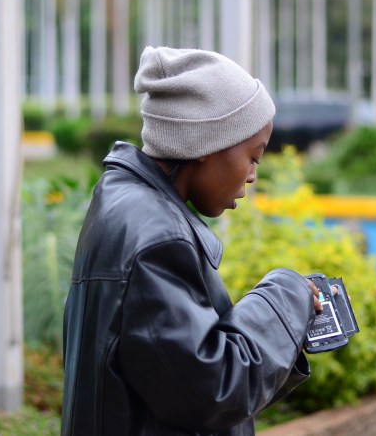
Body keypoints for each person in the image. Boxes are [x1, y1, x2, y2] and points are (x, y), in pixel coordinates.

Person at [61, 46, 323, 436]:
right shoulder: (156, 237)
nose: (252, 175)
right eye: (253, 156)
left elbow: (171, 375)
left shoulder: (120, 204)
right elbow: (211, 388)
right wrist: (288, 295)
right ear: (206, 144)